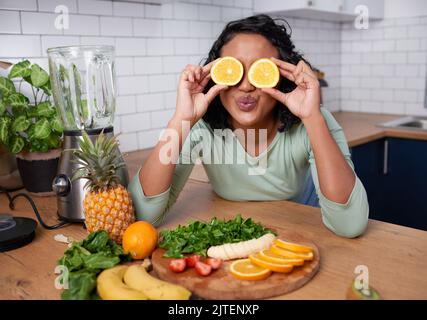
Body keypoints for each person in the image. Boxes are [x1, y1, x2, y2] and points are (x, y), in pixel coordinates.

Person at [128, 14, 369, 238]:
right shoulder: (201, 126)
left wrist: (313, 118)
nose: (245, 86)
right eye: (234, 70)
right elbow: (143, 215)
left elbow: (349, 224)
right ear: (216, 74)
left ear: (282, 75)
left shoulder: (314, 121)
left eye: (260, 71)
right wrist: (180, 119)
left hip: (300, 232)